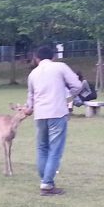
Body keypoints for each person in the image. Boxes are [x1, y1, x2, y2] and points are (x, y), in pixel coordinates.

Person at [24, 46, 82, 196]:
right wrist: (68, 97)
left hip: (40, 114)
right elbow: (77, 85)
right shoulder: (60, 67)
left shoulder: (33, 74)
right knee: (55, 150)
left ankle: (46, 181)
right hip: (57, 112)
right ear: (53, 57)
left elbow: (30, 97)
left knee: (42, 148)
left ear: (37, 58)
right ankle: (47, 184)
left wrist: (29, 108)